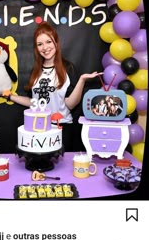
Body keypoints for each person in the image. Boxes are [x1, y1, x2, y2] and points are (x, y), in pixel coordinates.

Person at [6, 21, 102, 151]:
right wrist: (10, 96)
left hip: (61, 127)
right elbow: (34, 102)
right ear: (36, 48)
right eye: (40, 44)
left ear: (56, 42)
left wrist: (82, 80)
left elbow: (70, 104)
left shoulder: (67, 68)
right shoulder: (36, 71)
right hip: (38, 127)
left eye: (48, 42)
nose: (45, 47)